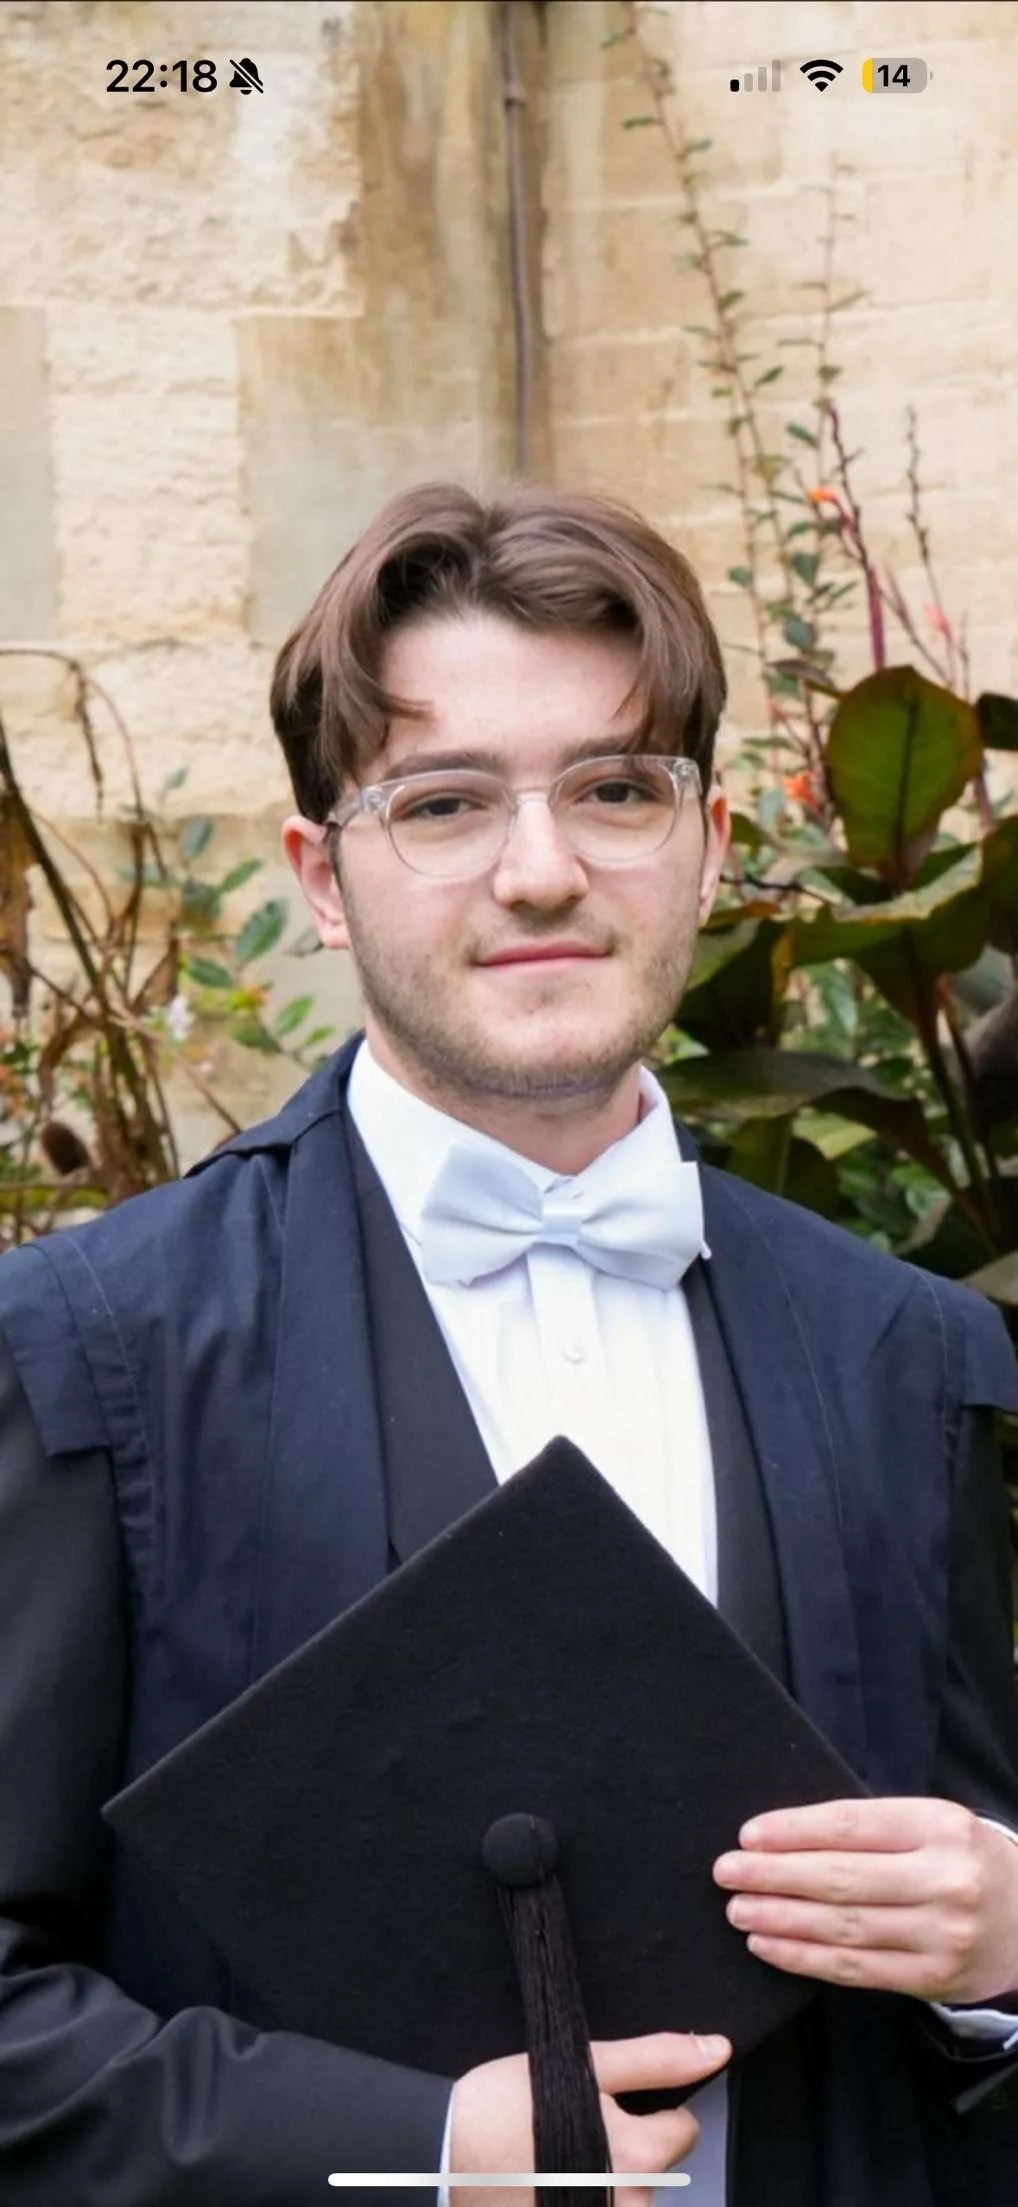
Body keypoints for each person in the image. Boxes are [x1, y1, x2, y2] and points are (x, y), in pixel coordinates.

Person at [0, 480, 1017, 2207]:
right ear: (325, 876)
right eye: (446, 799)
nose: (539, 868)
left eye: (615, 787)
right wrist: (398, 2153)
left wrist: (999, 1954)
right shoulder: (88, 1349)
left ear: (704, 843)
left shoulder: (903, 1356)